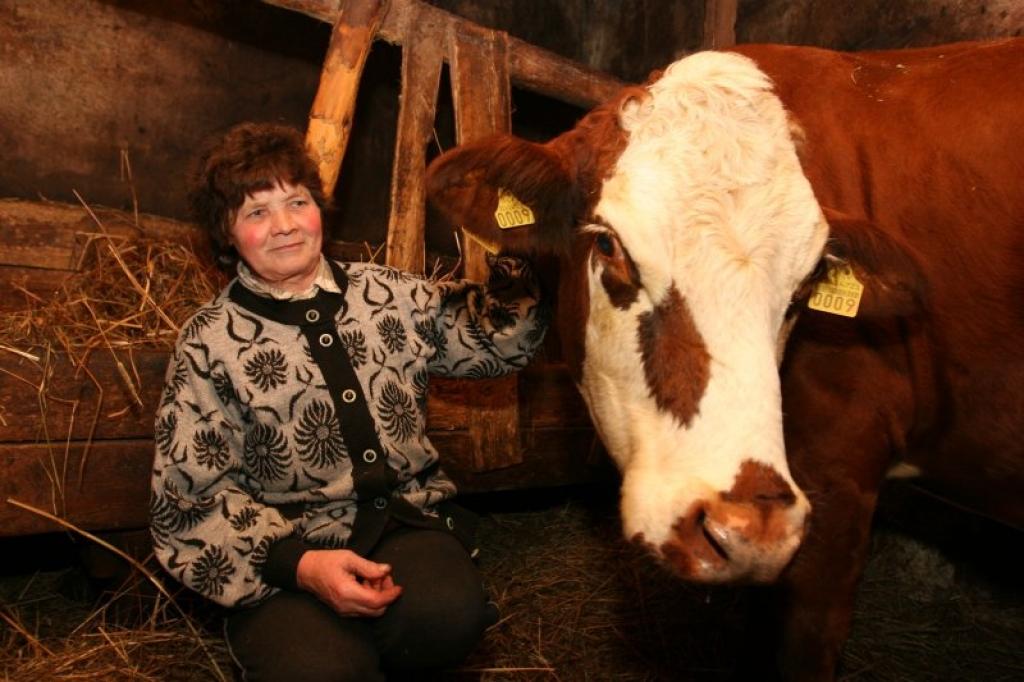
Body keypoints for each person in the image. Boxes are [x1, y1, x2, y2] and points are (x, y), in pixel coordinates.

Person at [150, 122, 548, 681]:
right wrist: (304, 567)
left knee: (446, 615)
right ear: (227, 233)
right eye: (256, 212)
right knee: (321, 671)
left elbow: (494, 340)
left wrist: (520, 246)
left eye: (296, 200)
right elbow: (187, 500)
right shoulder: (208, 343)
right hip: (283, 556)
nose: (285, 225)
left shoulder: (391, 296)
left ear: (320, 207)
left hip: (400, 527)